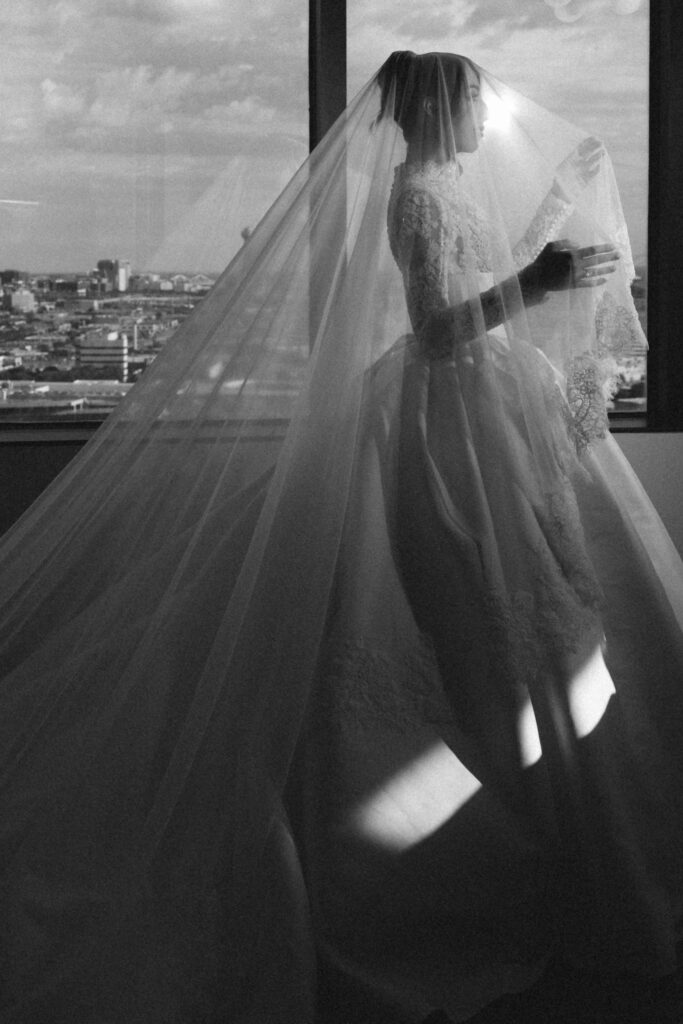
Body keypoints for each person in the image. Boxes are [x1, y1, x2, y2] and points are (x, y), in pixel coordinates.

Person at [0, 50, 682, 1024]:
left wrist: (545, 237)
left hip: (476, 399)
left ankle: (560, 830)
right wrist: (539, 277)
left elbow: (483, 272)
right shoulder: (413, 198)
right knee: (491, 615)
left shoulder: (438, 184)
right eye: (470, 104)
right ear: (437, 112)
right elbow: (445, 327)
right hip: (451, 410)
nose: (483, 120)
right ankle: (521, 854)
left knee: (541, 615)